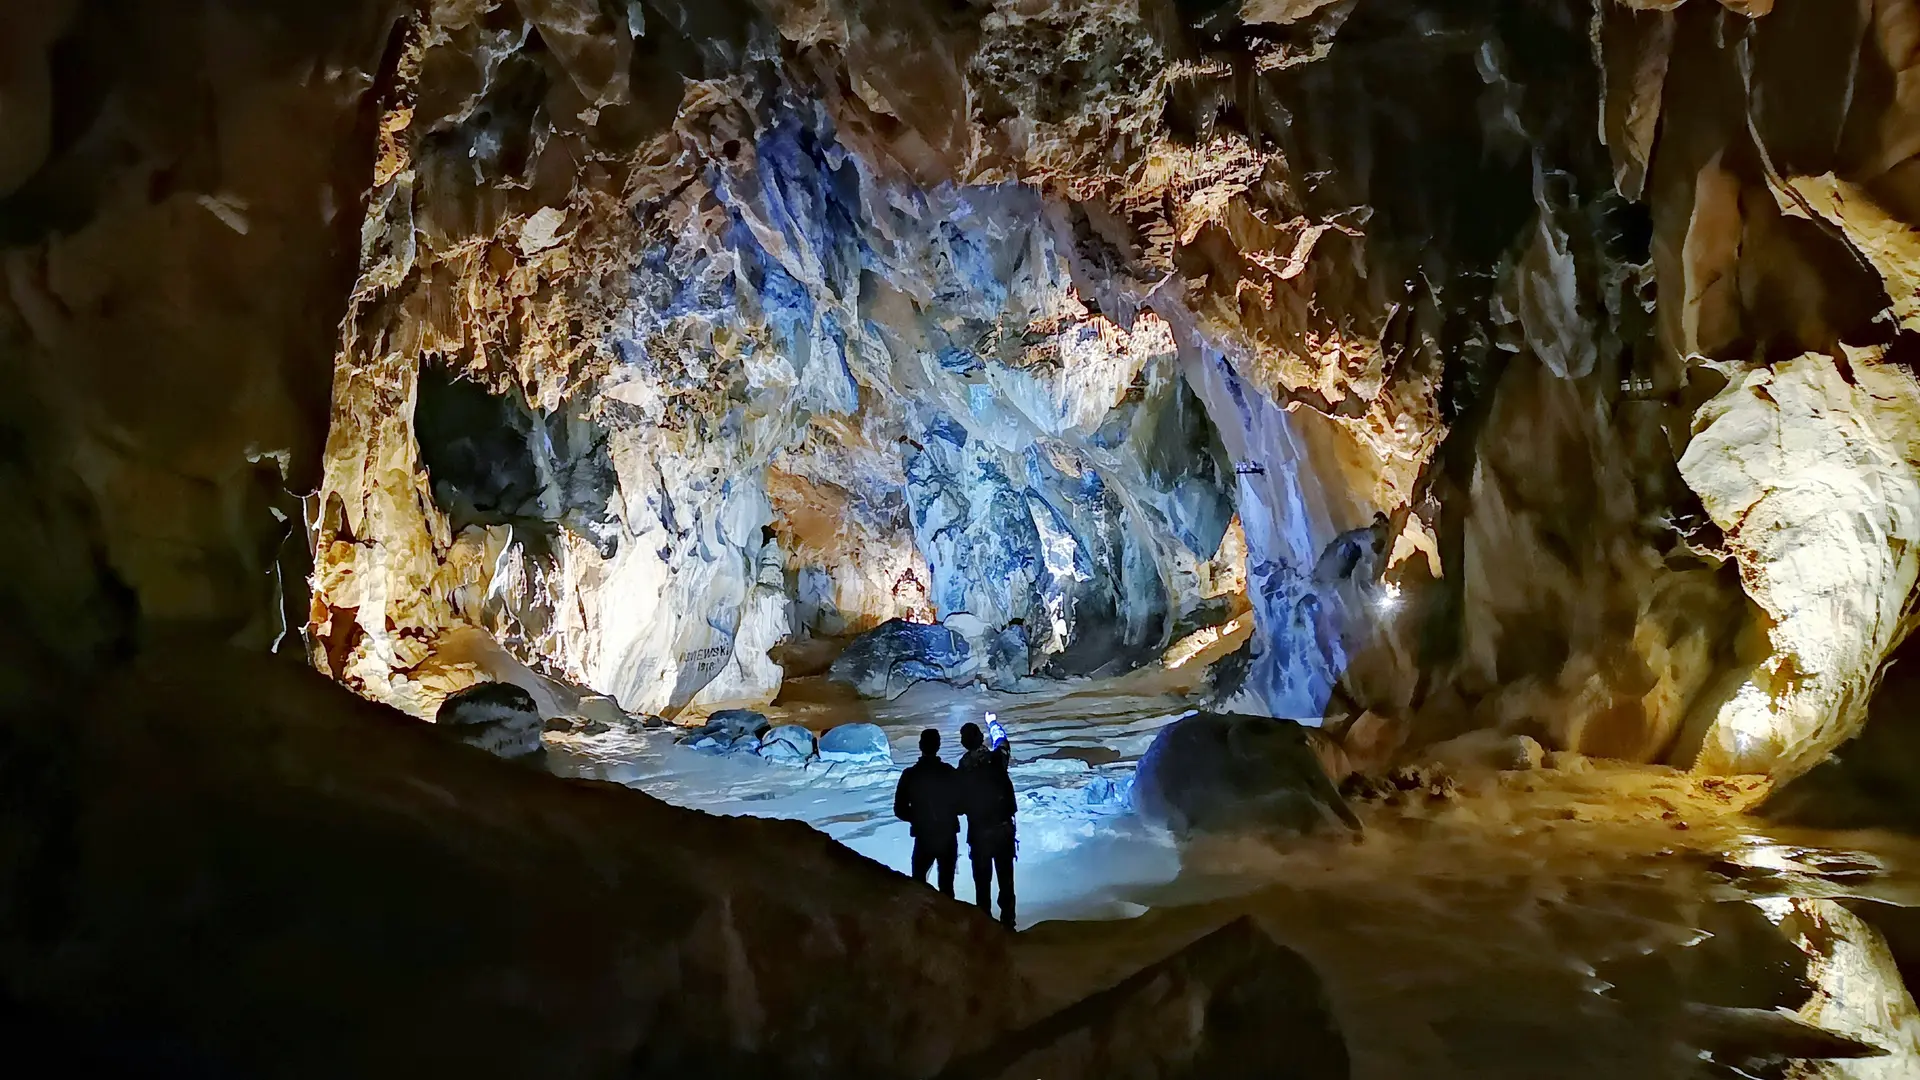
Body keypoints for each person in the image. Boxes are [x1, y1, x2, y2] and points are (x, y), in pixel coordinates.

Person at [956, 721, 1017, 929]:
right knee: (1006, 881)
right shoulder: (996, 759)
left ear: (964, 743)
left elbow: (959, 804)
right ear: (981, 738)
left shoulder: (962, 769)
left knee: (982, 885)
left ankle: (986, 927)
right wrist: (994, 724)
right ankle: (1008, 925)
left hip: (979, 833)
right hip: (1003, 830)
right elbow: (1003, 743)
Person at [893, 728, 960, 897]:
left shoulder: (910, 775)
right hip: (947, 836)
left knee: (919, 886)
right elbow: (962, 804)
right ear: (938, 745)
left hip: (924, 836)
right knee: (947, 887)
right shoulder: (949, 772)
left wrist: (919, 819)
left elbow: (899, 808)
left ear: (920, 746)